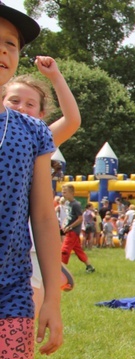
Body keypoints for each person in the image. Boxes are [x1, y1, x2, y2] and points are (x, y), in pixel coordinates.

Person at [0, 5, 64, 359]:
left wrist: (53, 300)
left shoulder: (31, 132)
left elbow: (44, 218)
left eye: (11, 45)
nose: (3, 50)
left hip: (11, 292)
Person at [3, 54, 81, 316]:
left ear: (41, 114)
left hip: (24, 237)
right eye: (14, 100)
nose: (21, 107)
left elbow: (72, 121)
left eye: (30, 104)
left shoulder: (37, 135)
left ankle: (51, 276)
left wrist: (55, 77)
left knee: (27, 307)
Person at [60, 184, 95, 273]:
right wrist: (64, 225)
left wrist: (70, 226)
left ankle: (61, 271)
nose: (63, 194)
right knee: (78, 250)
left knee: (64, 251)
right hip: (68, 230)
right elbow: (69, 217)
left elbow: (80, 218)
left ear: (71, 193)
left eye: (65, 192)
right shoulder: (68, 203)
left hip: (73, 231)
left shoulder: (76, 204)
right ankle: (89, 266)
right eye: (62, 192)